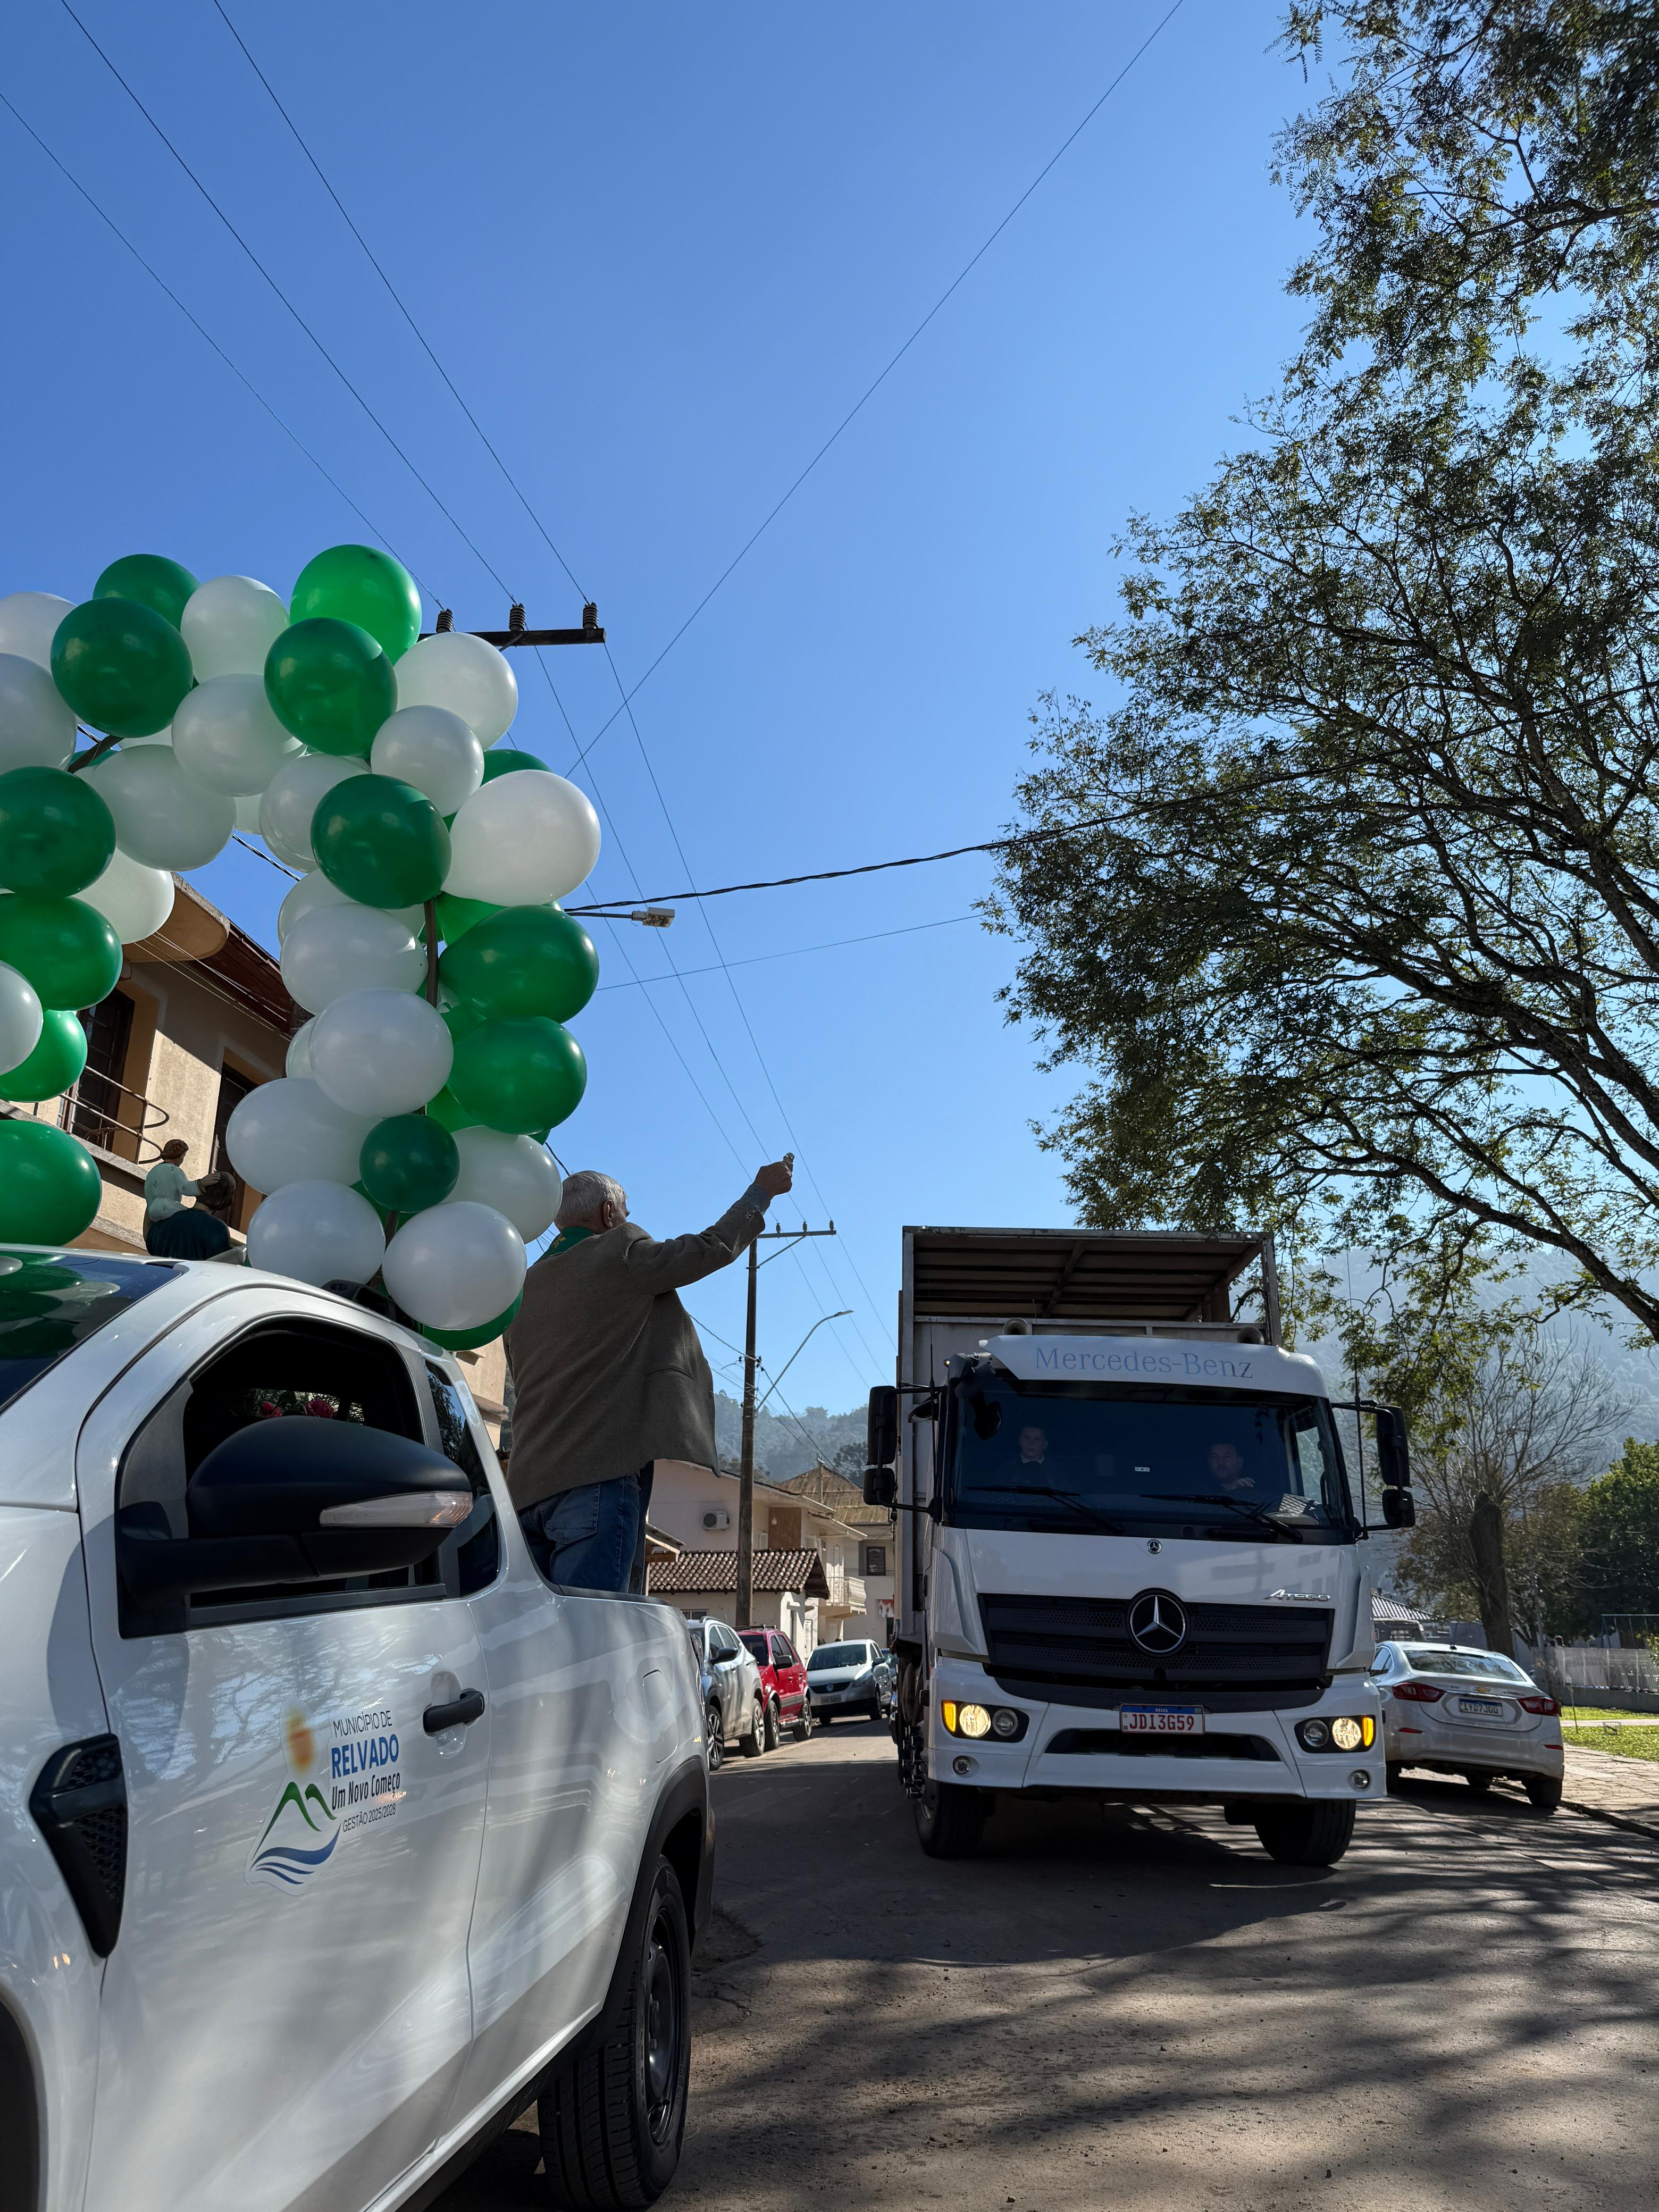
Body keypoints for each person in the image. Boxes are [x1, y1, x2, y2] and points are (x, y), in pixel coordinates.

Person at [505, 1159, 794, 1593]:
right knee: (593, 1640)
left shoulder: (522, 1288)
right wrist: (760, 1193)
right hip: (595, 1482)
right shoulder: (620, 1250)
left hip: (525, 1495)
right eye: (624, 1211)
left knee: (542, 1648)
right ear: (608, 1214)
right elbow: (711, 1247)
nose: (627, 1218)